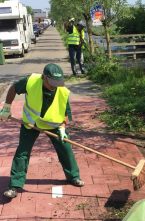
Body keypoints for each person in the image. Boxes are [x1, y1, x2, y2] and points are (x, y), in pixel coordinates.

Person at [0, 63, 84, 199]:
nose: (54, 85)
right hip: (31, 123)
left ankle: (73, 177)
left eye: (57, 82)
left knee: (65, 148)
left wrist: (62, 128)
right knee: (22, 152)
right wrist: (6, 107)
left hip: (54, 125)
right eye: (52, 82)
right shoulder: (30, 81)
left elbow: (65, 112)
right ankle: (15, 185)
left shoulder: (62, 90)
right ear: (44, 78)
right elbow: (14, 88)